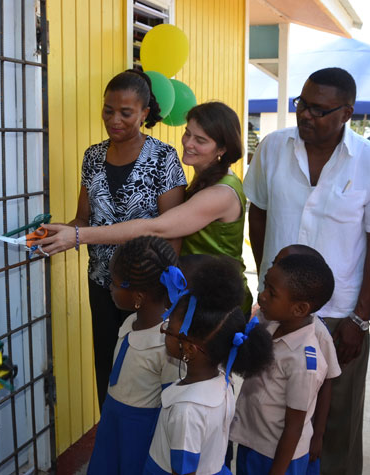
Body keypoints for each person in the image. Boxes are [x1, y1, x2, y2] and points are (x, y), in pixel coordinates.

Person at [244, 67, 370, 474]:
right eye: (302, 104)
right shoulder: (273, 148)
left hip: (339, 318)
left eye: (319, 109)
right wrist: (269, 283)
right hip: (276, 315)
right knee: (267, 416)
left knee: (334, 427)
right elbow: (258, 214)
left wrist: (359, 317)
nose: (306, 115)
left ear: (347, 112)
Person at [40, 101, 254, 314]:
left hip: (218, 303)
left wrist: (78, 236)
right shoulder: (205, 177)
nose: (188, 143)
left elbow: (156, 228)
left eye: (200, 140)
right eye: (187, 133)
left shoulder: (221, 193)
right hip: (196, 294)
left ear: (223, 148)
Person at [65, 69, 187, 408]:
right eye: (108, 110)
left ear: (145, 114)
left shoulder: (163, 159)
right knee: (108, 368)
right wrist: (57, 233)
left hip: (148, 292)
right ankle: (112, 441)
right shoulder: (92, 157)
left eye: (125, 112)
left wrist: (159, 294)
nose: (113, 119)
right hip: (103, 285)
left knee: (145, 373)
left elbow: (172, 233)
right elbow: (83, 220)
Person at [143, 254, 273, 475]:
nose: (163, 331)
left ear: (190, 349)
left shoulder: (187, 410)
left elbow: (184, 471)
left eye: (169, 331)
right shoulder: (222, 382)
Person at [232, 253, 336, 475]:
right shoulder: (269, 324)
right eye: (265, 286)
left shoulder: (304, 361)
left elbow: (294, 426)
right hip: (252, 440)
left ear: (299, 309)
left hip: (278, 456)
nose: (263, 295)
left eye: (272, 292)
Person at [87, 236, 181, 474]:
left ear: (138, 297)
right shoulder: (130, 321)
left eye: (116, 283)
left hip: (139, 432)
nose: (109, 286)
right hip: (112, 419)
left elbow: (171, 405)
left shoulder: (167, 343)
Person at [269, 245, 342, 475]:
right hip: (267, 434)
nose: (273, 270)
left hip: (294, 438)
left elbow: (327, 381)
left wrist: (318, 434)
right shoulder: (271, 319)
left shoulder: (317, 333)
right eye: (275, 263)